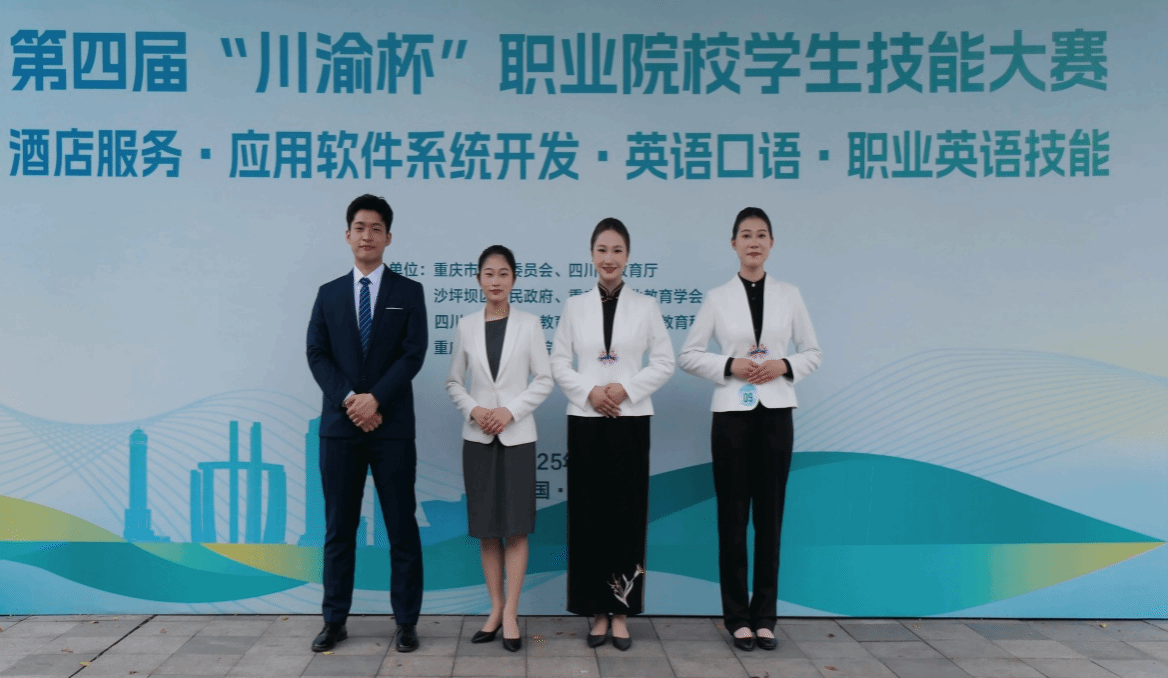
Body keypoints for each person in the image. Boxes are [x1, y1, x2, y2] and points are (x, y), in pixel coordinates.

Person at [678, 207, 821, 652]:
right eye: (746, 235)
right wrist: (730, 365)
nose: (753, 242)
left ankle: (765, 617)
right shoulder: (717, 297)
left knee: (770, 519)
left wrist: (784, 365)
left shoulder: (790, 295)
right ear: (734, 244)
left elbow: (813, 352)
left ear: (771, 244)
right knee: (733, 518)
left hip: (776, 414)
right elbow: (688, 354)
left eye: (761, 235)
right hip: (731, 418)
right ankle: (737, 617)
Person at [306, 194, 427, 654]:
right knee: (339, 529)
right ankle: (334, 620)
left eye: (376, 228)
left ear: (388, 237)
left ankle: (407, 622)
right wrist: (350, 400)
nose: (367, 236)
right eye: (360, 227)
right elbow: (317, 353)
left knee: (401, 527)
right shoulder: (329, 294)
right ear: (347, 235)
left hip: (391, 427)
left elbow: (412, 354)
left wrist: (375, 399)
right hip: (340, 429)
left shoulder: (408, 292)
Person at [550, 218, 674, 651]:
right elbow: (558, 362)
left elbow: (664, 361)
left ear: (628, 256)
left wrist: (625, 389)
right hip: (586, 418)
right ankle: (596, 611)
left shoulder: (646, 306)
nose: (609, 258)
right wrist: (590, 392)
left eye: (617, 250)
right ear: (591, 254)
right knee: (588, 515)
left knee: (627, 513)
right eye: (602, 250)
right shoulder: (574, 306)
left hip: (630, 417)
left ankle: (620, 612)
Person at [445, 245, 554, 653]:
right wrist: (475, 410)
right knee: (487, 528)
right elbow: (453, 381)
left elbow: (544, 379)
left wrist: (511, 411)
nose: (496, 281)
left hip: (517, 436)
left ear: (513, 279)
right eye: (489, 273)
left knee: (516, 527)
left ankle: (511, 612)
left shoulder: (530, 324)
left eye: (503, 273)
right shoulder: (466, 326)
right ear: (478, 279)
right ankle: (494, 607)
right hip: (478, 438)